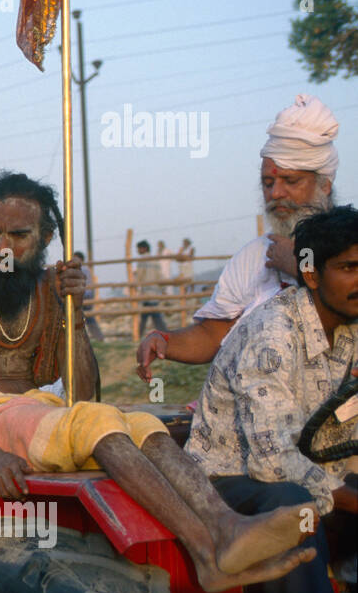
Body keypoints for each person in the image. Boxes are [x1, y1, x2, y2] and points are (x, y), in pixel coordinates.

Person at [0, 171, 314, 593]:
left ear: (47, 236)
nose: (3, 247)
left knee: (143, 426)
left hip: (37, 414)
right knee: (94, 423)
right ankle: (204, 552)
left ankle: (225, 524)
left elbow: (84, 395)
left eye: (19, 235)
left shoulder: (50, 287)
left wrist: (76, 313)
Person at [185, 206, 358, 593]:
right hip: (229, 481)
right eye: (348, 268)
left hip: (303, 472)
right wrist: (347, 497)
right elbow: (273, 461)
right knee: (294, 512)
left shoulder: (349, 329)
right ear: (310, 272)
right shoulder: (272, 332)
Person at [137, 94, 338, 381]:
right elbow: (213, 334)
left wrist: (298, 265)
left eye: (290, 181)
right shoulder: (256, 255)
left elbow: (346, 301)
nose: (275, 193)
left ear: (325, 185)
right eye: (268, 183)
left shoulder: (349, 246)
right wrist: (163, 341)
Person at [134, 240, 168, 335]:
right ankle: (165, 333)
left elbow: (139, 276)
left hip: (146, 292)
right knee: (152, 316)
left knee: (151, 316)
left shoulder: (142, 260)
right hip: (154, 292)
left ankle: (139, 334)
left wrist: (135, 286)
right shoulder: (155, 260)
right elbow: (160, 276)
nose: (138, 251)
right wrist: (162, 289)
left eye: (139, 249)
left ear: (144, 248)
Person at [75, 251, 104, 339]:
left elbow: (85, 285)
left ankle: (98, 337)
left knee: (88, 318)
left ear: (80, 259)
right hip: (84, 295)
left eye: (75, 258)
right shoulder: (83, 269)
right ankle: (97, 337)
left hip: (85, 296)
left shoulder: (83, 269)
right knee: (85, 318)